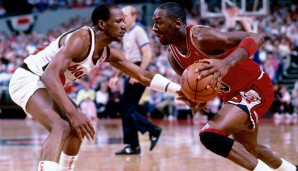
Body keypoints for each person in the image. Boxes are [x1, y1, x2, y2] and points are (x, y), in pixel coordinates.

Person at [9, 3, 181, 171]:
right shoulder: (81, 38)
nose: (124, 25)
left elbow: (143, 75)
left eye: (124, 21)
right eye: (119, 21)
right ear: (102, 24)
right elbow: (49, 75)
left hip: (45, 85)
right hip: (28, 78)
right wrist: (73, 112)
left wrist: (181, 91)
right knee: (61, 126)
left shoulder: (107, 52)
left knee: (77, 129)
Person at [152, 2, 297, 171]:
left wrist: (225, 64)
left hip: (255, 87)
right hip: (232, 96)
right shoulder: (173, 57)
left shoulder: (201, 37)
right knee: (251, 149)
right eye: (154, 23)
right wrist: (195, 99)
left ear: (177, 23)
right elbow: (197, 87)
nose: (154, 28)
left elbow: (256, 37)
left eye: (159, 22)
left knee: (210, 135)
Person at [109, 5, 162, 155]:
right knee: (127, 109)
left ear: (134, 16)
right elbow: (125, 60)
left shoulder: (138, 31)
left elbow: (147, 54)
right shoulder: (126, 33)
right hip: (130, 69)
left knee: (127, 109)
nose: (123, 17)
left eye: (125, 14)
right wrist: (116, 76)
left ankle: (146, 134)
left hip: (137, 70)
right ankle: (136, 143)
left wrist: (138, 74)